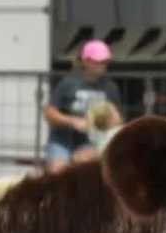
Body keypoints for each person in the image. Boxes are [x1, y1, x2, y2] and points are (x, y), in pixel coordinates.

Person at [43, 39, 123, 173]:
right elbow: (49, 112)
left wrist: (111, 122)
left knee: (86, 169)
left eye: (104, 61)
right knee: (59, 174)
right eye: (98, 61)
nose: (102, 65)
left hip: (90, 142)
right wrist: (72, 121)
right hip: (62, 140)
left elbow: (117, 119)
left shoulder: (110, 87)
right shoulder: (68, 82)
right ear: (86, 61)